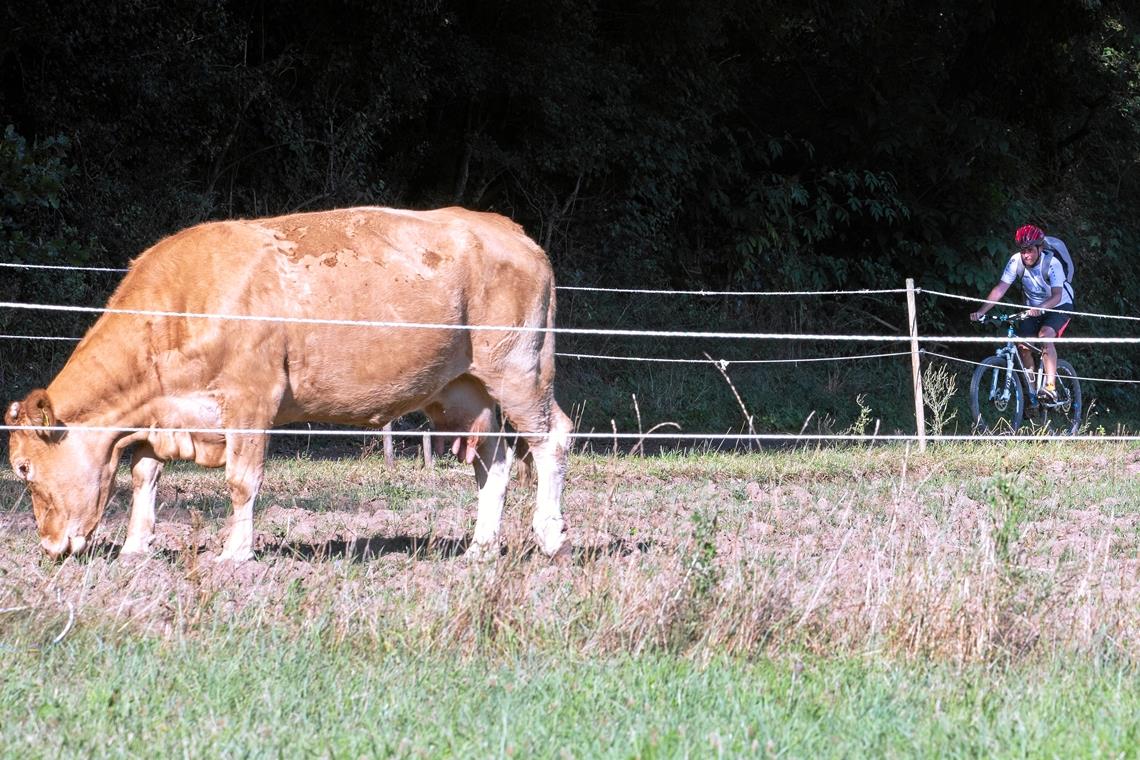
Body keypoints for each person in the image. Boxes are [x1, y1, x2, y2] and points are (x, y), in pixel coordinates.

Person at [969, 224, 1074, 402]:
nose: (1026, 255)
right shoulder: (1016, 261)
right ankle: (1033, 393)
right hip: (1033, 308)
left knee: (1044, 335)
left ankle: (1051, 387)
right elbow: (1000, 289)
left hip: (1059, 305)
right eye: (1023, 250)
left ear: (1040, 248)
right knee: (1023, 346)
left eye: (1031, 250)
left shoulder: (1053, 263)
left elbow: (1057, 296)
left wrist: (1041, 308)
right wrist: (981, 311)